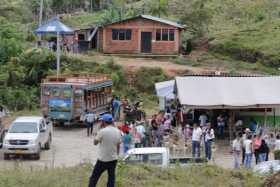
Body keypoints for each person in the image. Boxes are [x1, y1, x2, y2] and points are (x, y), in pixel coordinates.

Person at [88, 114, 121, 187]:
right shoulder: (117, 131)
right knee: (111, 177)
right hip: (113, 159)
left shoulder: (102, 131)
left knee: (94, 177)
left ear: (103, 122)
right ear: (112, 121)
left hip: (103, 159)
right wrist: (117, 155)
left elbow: (95, 143)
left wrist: (98, 132)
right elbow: (118, 145)